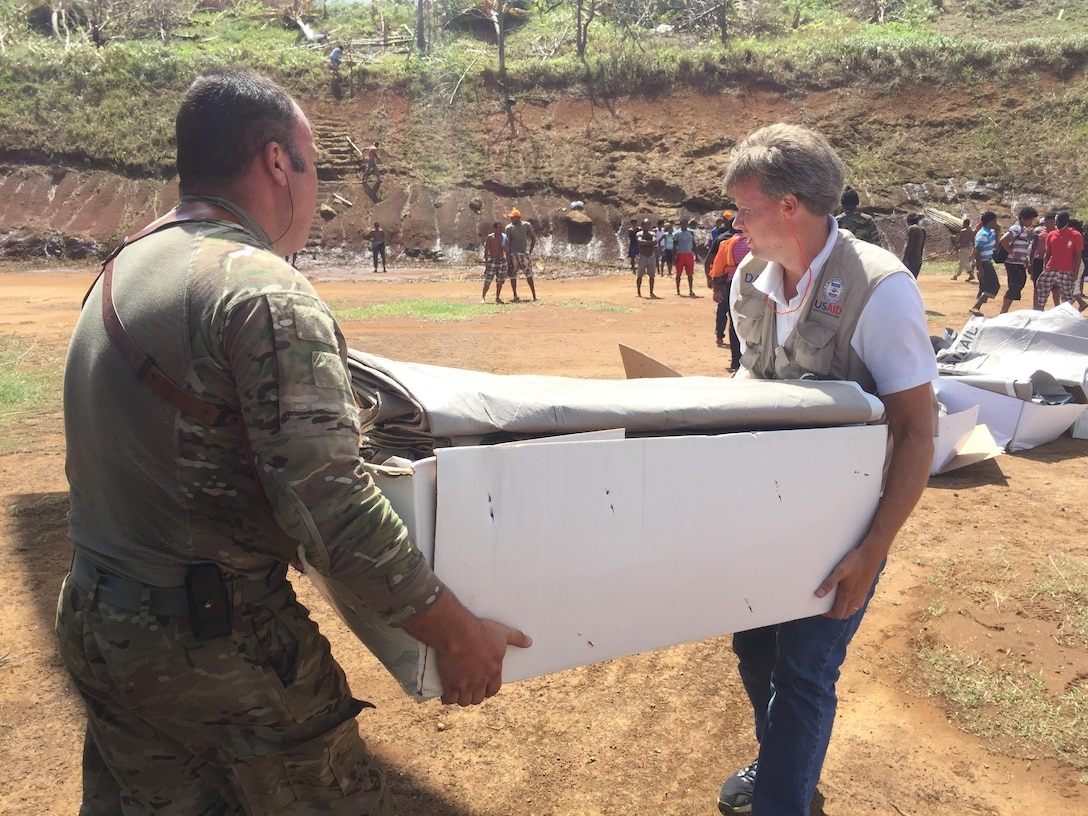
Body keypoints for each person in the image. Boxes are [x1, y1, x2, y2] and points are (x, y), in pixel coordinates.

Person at [56, 68, 531, 816]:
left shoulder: (127, 266)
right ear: (279, 163)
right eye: (316, 166)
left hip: (97, 620)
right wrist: (456, 630)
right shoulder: (262, 291)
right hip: (217, 643)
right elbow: (332, 504)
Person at [719, 124, 936, 816]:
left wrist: (872, 552)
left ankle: (783, 801)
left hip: (841, 531)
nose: (736, 225)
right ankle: (785, 769)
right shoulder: (750, 281)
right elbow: (749, 383)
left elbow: (915, 429)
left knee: (807, 670)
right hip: (763, 518)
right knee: (755, 654)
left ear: (789, 207)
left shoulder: (880, 288)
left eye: (744, 210)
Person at [705, 223, 748, 371]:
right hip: (755, 284)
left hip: (732, 285)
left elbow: (716, 268)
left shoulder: (726, 243)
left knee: (734, 322)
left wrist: (715, 288)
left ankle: (736, 362)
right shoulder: (755, 240)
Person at [1038, 209, 1084, 310]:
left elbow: (1078, 255)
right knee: (1042, 291)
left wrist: (1075, 273)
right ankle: (1039, 314)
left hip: (1067, 271)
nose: (1058, 223)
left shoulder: (1076, 235)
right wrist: (1044, 269)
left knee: (1067, 297)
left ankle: (1066, 318)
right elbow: (1047, 253)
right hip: (1051, 269)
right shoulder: (1051, 235)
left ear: (1066, 221)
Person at [996, 206, 1037, 314]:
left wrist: (1025, 259)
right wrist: (1012, 253)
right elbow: (1003, 240)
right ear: (1024, 218)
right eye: (1031, 219)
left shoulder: (1021, 229)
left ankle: (1004, 311)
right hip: (1013, 262)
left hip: (1018, 263)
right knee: (1015, 285)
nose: (1031, 222)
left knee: (1019, 283)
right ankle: (1003, 311)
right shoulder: (1016, 228)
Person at [969, 211, 1001, 316]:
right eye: (994, 221)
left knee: (984, 286)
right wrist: (980, 268)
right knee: (994, 286)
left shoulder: (989, 232)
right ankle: (976, 306)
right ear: (990, 221)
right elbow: (977, 251)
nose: (995, 223)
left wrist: (997, 234)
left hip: (986, 261)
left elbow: (995, 246)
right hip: (984, 262)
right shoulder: (983, 234)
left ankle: (976, 310)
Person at [505, 207, 538, 301]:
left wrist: (530, 251)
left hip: (523, 253)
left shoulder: (526, 225)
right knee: (513, 275)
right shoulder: (509, 228)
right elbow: (508, 243)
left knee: (529, 274)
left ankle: (534, 295)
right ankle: (515, 295)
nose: (511, 219)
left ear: (518, 218)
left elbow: (533, 238)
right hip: (513, 254)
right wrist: (508, 258)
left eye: (513, 217)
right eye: (511, 217)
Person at [482, 220, 508, 303]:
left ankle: (497, 297)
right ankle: (483, 297)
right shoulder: (490, 237)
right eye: (499, 228)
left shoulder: (504, 237)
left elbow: (507, 249)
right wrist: (486, 263)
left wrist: (503, 247)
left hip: (501, 260)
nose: (501, 229)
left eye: (501, 228)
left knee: (500, 280)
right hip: (492, 260)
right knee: (488, 280)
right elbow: (486, 250)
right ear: (494, 228)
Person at [673, 217, 698, 296]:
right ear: (680, 225)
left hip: (689, 254)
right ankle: (678, 290)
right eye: (682, 223)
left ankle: (691, 290)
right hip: (680, 254)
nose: (684, 225)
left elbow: (693, 244)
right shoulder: (677, 234)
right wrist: (674, 257)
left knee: (690, 274)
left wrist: (696, 255)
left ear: (687, 224)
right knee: (678, 274)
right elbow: (674, 246)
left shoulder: (691, 232)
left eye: (685, 223)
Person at [635, 217, 657, 298]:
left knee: (652, 276)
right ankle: (638, 291)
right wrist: (649, 243)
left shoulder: (652, 234)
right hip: (643, 256)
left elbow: (655, 241)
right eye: (645, 224)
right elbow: (640, 242)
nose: (647, 226)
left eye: (648, 224)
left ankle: (651, 292)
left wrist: (646, 243)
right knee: (639, 275)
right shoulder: (639, 234)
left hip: (651, 256)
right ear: (642, 225)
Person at [901, 212, 926, 278]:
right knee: (913, 280)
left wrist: (903, 259)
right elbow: (921, 247)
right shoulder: (922, 230)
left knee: (907, 281)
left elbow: (909, 245)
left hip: (910, 261)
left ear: (908, 221)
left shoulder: (912, 229)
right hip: (918, 261)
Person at [951, 217, 976, 281]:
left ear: (964, 223)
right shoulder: (971, 231)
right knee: (962, 263)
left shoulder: (963, 231)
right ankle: (955, 276)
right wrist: (973, 249)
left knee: (964, 262)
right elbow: (973, 240)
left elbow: (959, 240)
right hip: (969, 248)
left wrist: (954, 248)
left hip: (963, 248)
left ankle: (971, 274)